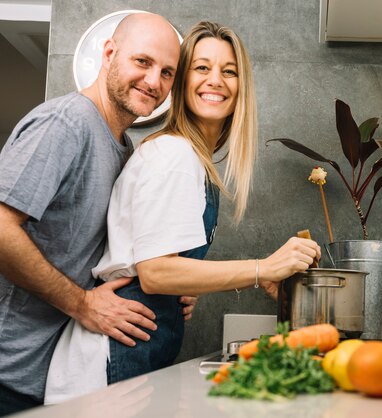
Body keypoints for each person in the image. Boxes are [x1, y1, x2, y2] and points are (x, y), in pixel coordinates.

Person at [44, 21, 320, 403]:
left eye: (229, 71)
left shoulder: (191, 159)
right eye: (202, 68)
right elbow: (156, 272)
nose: (216, 81)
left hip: (134, 348)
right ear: (182, 81)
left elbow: (160, 268)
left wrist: (186, 285)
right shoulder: (173, 155)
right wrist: (262, 268)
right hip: (109, 362)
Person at [0, 13, 193, 416]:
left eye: (167, 72)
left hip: (51, 375)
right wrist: (82, 304)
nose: (154, 81)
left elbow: (101, 251)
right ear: (109, 53)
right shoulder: (65, 123)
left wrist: (166, 283)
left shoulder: (121, 147)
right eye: (142, 62)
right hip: (8, 373)